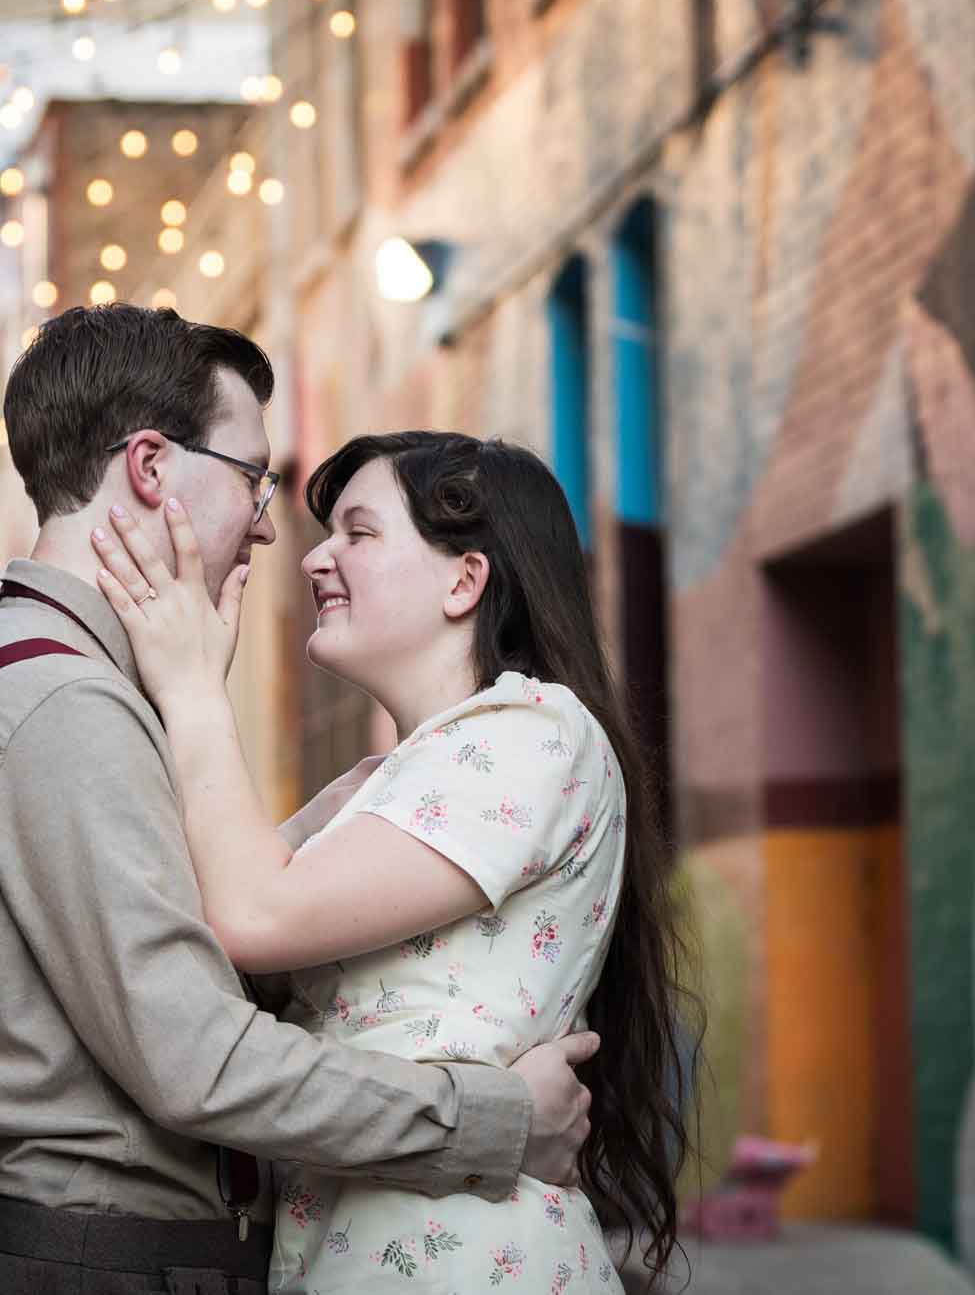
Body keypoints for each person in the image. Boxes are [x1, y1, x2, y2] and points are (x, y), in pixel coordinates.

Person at [0, 305, 600, 1295]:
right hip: (106, 1260)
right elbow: (197, 1054)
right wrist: (492, 1119)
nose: (268, 526)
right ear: (149, 469)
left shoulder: (48, 685)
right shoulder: (63, 702)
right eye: (251, 479)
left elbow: (165, 971)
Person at [85, 431, 691, 1290]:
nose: (317, 558)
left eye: (359, 533)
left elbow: (255, 917)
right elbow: (189, 948)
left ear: (463, 579)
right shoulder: (389, 783)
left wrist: (191, 686)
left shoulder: (536, 734)